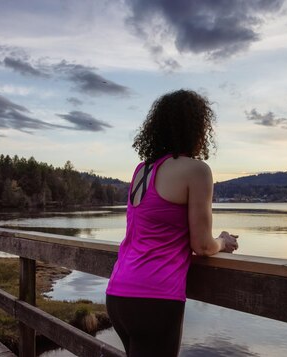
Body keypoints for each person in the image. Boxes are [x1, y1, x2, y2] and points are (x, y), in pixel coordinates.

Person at [106, 89, 239, 357]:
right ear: (196, 128)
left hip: (118, 293)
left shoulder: (142, 171)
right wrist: (223, 241)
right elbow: (202, 245)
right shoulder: (196, 170)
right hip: (155, 297)